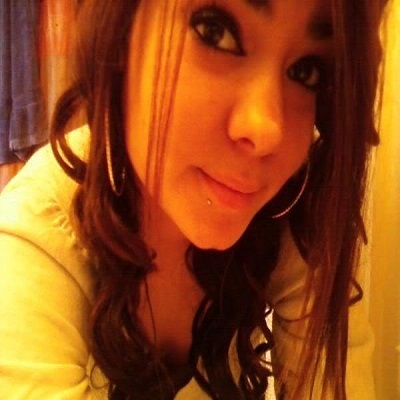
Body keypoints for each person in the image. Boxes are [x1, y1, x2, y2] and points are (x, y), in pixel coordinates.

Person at [0, 0, 388, 399]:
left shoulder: (288, 216)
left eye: (307, 71)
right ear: (120, 26)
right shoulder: (30, 247)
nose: (267, 129)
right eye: (215, 32)